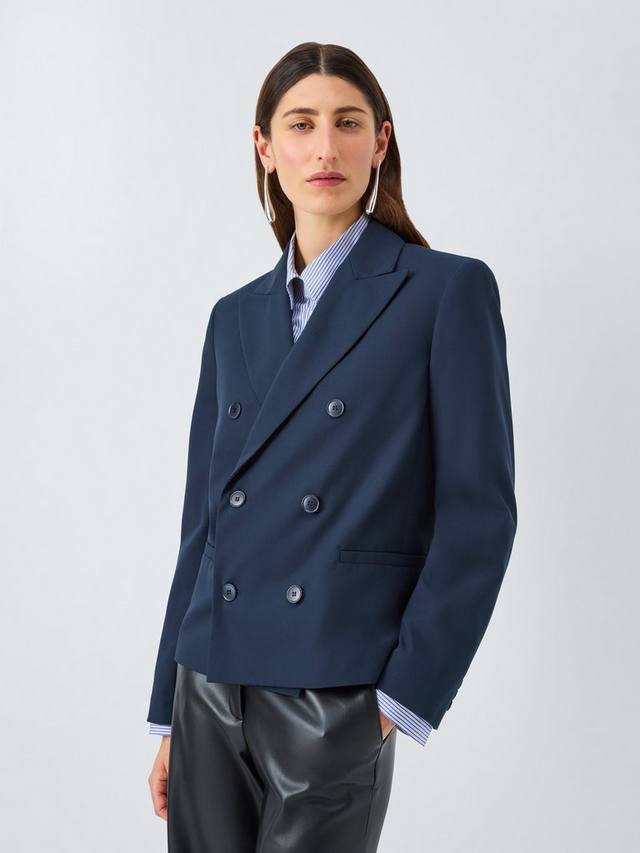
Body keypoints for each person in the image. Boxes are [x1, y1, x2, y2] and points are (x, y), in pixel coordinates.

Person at [147, 41, 517, 852]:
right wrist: (166, 707)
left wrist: (398, 699)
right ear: (264, 146)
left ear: (379, 142)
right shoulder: (233, 316)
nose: (324, 148)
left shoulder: (444, 291)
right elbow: (203, 523)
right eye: (301, 124)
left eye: (347, 123)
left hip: (335, 687)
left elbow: (478, 515)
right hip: (209, 682)